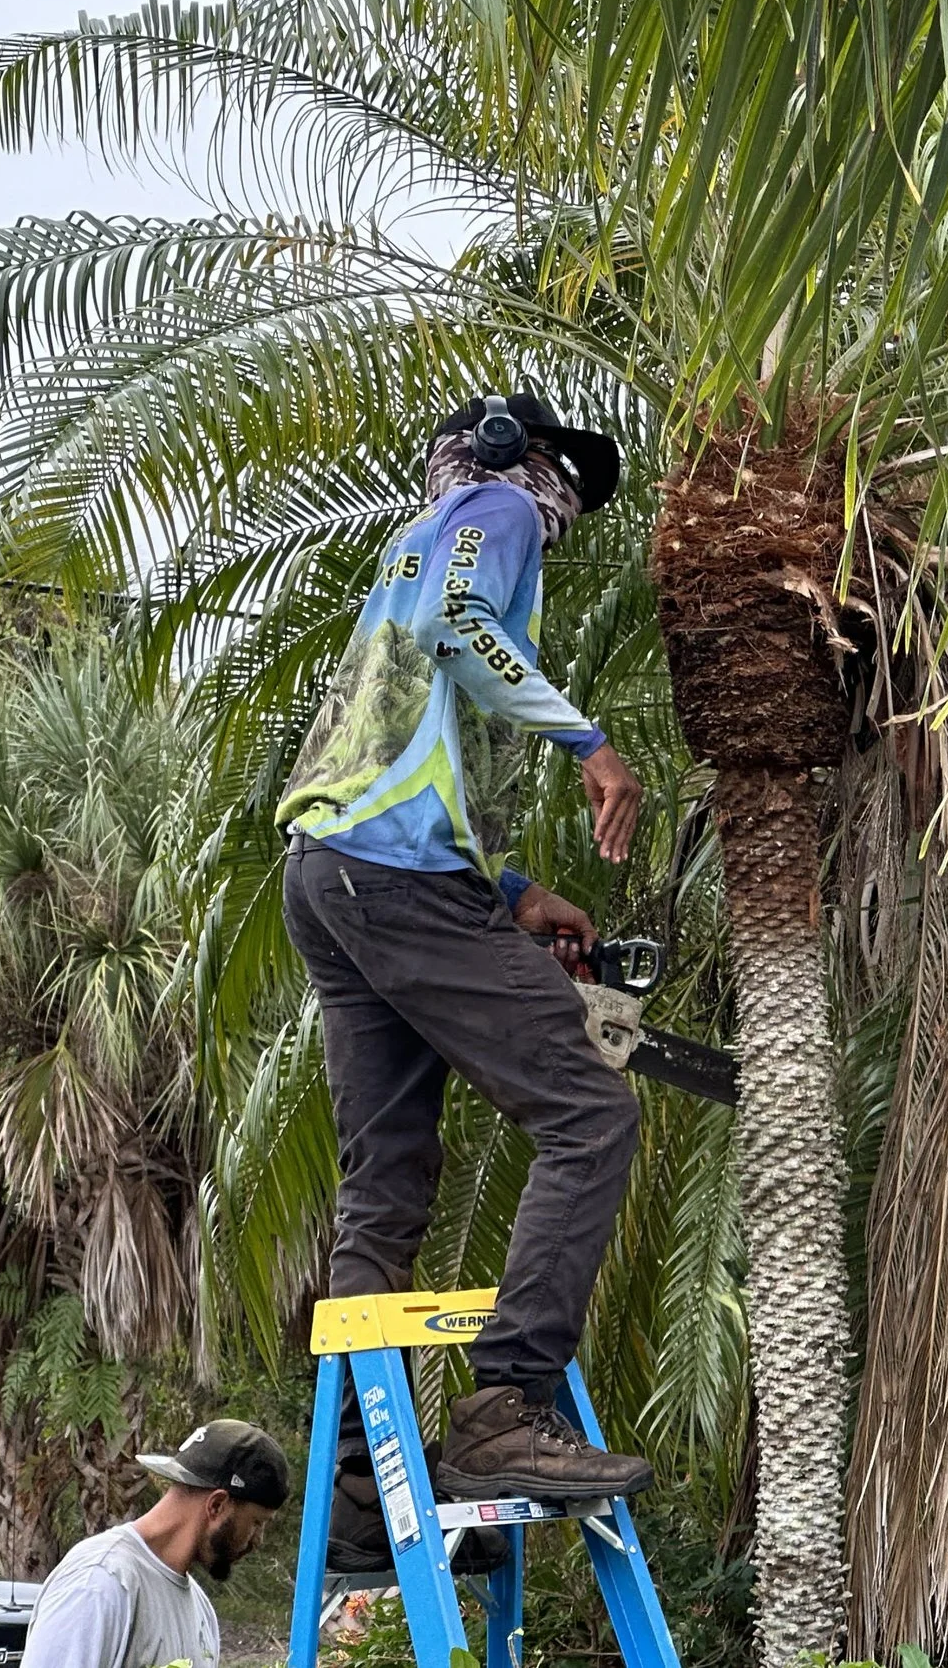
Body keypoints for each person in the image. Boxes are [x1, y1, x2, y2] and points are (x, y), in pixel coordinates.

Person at [276, 390, 652, 1548]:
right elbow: (460, 626)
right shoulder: (501, 505)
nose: (569, 512)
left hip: (330, 876)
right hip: (390, 884)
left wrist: (511, 895)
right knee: (591, 1114)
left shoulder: (411, 540)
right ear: (514, 457)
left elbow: (393, 757)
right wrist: (592, 745)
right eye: (568, 487)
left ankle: (349, 1508)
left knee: (383, 1189)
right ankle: (505, 1404)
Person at [18, 1420, 287, 1668]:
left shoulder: (201, 1611)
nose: (257, 1541)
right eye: (256, 1523)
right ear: (217, 1505)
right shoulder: (100, 1582)